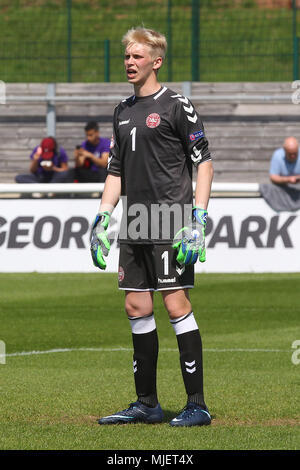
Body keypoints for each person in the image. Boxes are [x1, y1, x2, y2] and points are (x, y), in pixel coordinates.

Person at [90, 27, 214, 427]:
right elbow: (116, 169)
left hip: (171, 220)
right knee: (135, 305)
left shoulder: (178, 105)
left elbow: (204, 162)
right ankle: (147, 403)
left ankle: (197, 405)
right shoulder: (122, 110)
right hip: (135, 221)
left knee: (175, 303)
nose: (129, 62)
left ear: (156, 61)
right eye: (127, 56)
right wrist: (103, 216)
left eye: (137, 56)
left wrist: (198, 219)